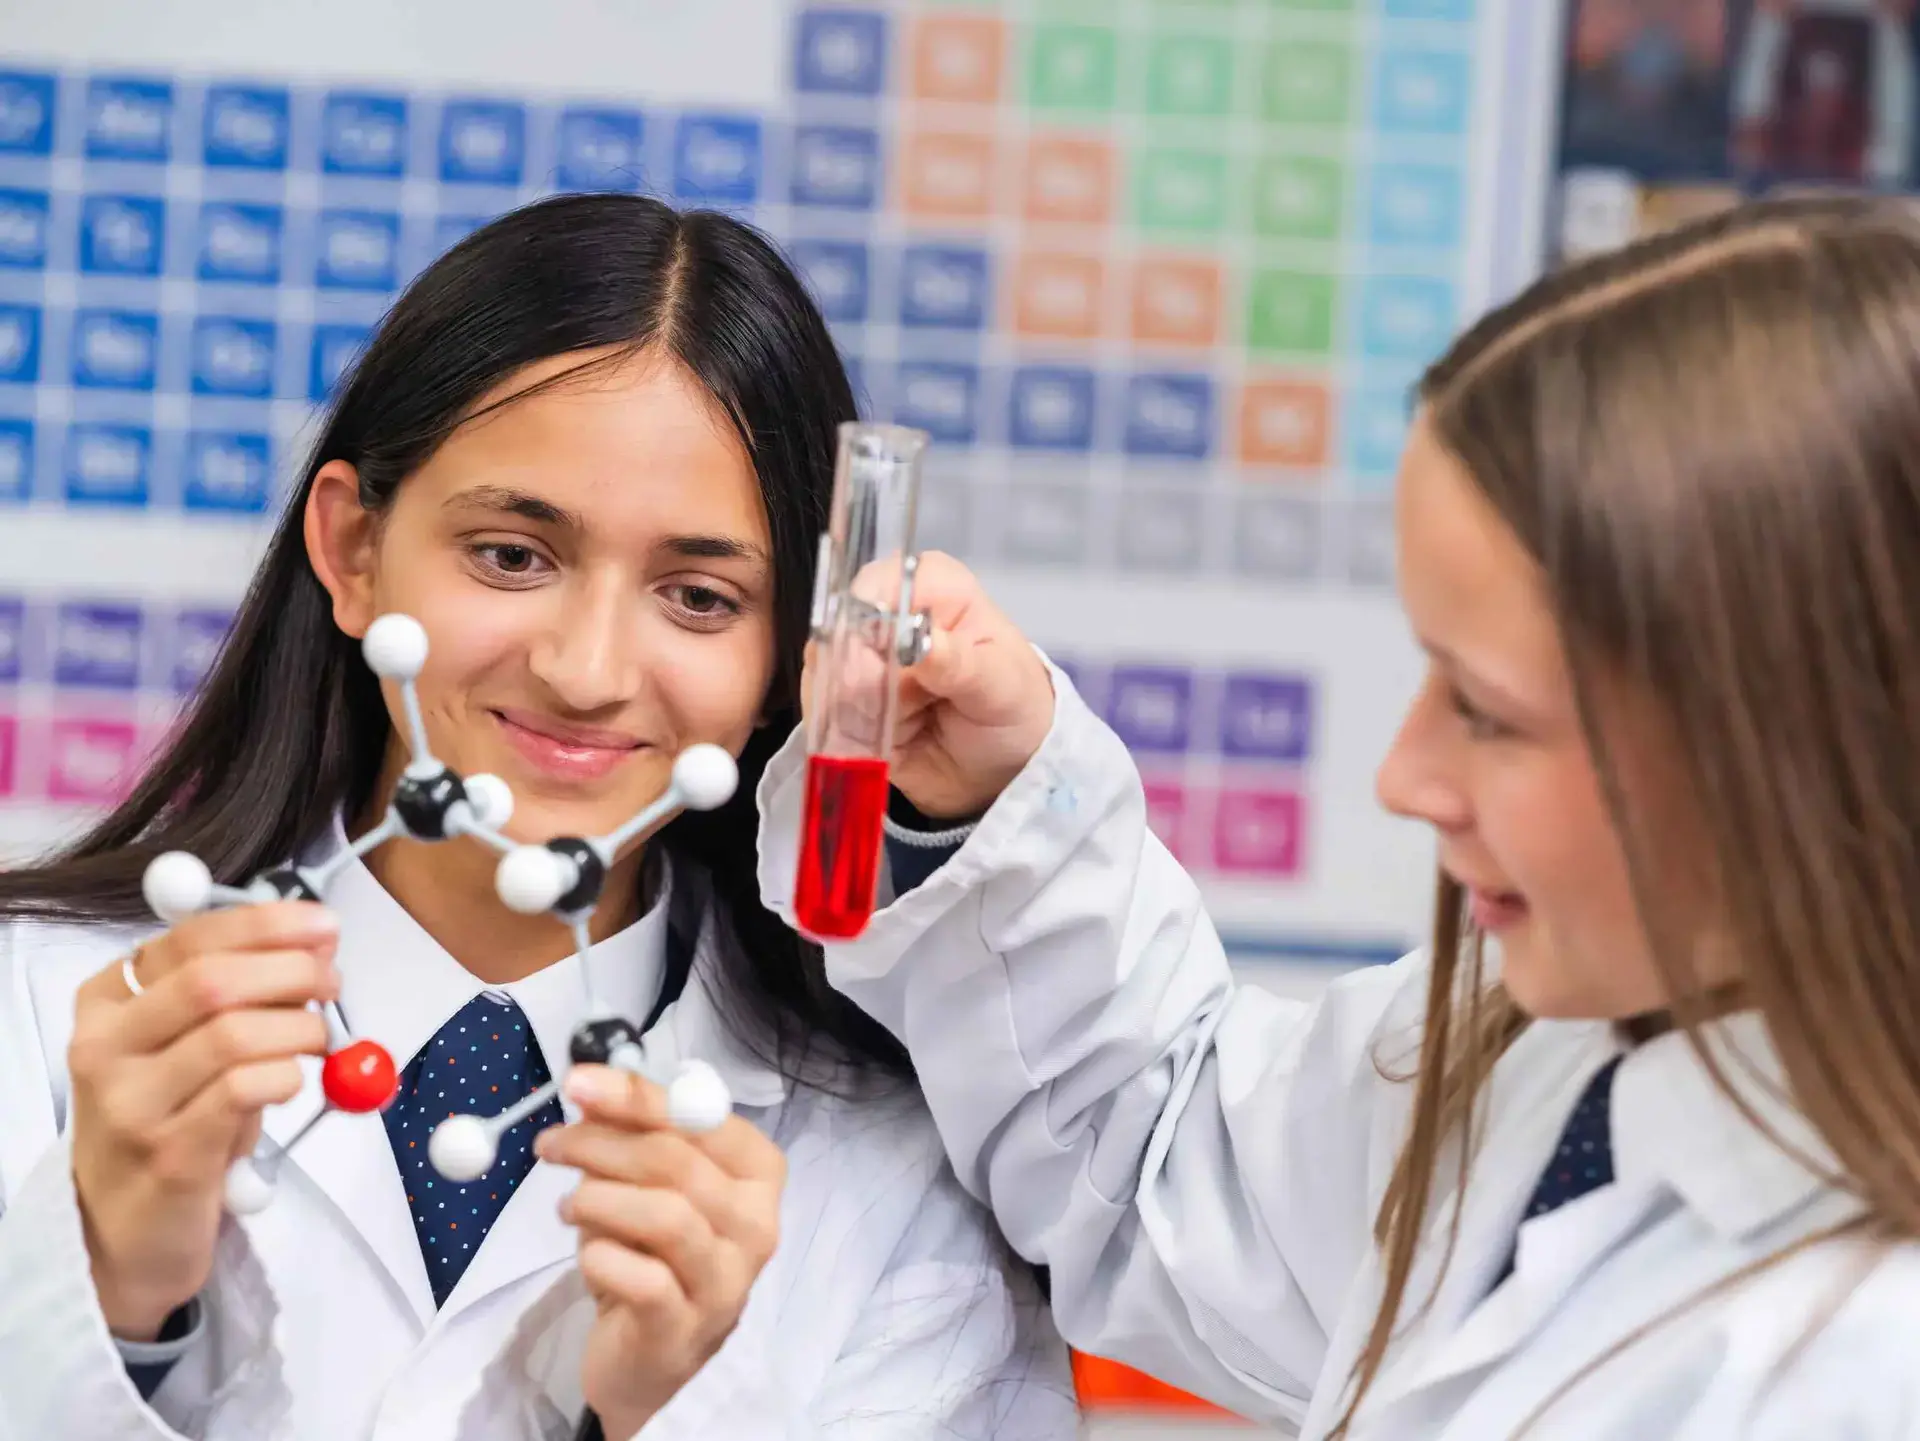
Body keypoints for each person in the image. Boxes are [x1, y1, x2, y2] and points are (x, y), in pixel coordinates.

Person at [755, 193, 1920, 1439]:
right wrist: (986, 799)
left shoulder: (1860, 1365)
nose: (1405, 779)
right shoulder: (1544, 1051)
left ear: (1787, 739)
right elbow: (1164, 1162)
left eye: (1487, 709)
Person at [0, 192, 1073, 1440]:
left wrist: (647, 1416)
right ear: (352, 551)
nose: (587, 668)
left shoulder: (903, 1194)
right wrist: (116, 1301)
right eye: (513, 555)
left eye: (699, 595)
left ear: (802, 649)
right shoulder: (31, 1011)